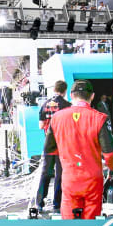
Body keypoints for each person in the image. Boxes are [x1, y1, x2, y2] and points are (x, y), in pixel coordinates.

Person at [44, 80, 113, 219]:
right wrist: (111, 169)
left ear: (71, 95)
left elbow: (49, 149)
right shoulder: (100, 118)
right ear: (92, 96)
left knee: (69, 225)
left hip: (70, 178)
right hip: (93, 180)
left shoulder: (57, 118)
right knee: (90, 224)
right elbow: (109, 153)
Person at [34, 80, 69, 213]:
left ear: (54, 89)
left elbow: (41, 126)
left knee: (45, 174)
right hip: (62, 145)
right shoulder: (67, 105)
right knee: (60, 175)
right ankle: (57, 204)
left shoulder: (45, 105)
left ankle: (39, 203)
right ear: (65, 91)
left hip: (48, 144)